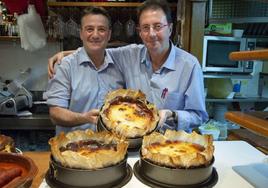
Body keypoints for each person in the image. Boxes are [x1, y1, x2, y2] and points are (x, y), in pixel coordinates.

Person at [48, 0, 208, 132]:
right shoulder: (130, 55)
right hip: (135, 148)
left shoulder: (190, 65)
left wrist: (172, 114)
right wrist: (66, 55)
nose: (151, 34)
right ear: (140, 32)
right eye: (146, 27)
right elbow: (97, 47)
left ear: (170, 29)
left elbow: (199, 116)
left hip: (170, 147)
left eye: (158, 26)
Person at [45, 7, 125, 135]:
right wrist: (84, 118)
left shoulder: (120, 63)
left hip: (112, 149)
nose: (95, 35)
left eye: (101, 29)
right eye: (89, 29)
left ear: (109, 35)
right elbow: (55, 113)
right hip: (73, 148)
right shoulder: (65, 66)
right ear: (81, 33)